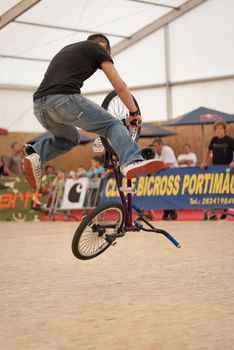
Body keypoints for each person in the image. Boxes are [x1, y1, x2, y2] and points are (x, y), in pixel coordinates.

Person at [23, 33, 161, 191]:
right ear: (106, 49)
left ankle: (37, 154)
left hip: (40, 107)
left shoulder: (66, 50)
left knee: (70, 138)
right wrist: (134, 112)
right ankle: (131, 161)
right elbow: (120, 86)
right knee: (112, 125)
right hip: (64, 100)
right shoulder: (98, 48)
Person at [201, 120, 234, 220]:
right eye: (217, 129)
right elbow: (208, 151)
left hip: (228, 169)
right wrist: (204, 162)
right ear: (215, 131)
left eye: (221, 128)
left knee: (227, 190)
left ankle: (225, 211)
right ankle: (213, 213)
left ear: (224, 130)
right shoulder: (213, 140)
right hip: (216, 169)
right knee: (216, 190)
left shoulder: (230, 140)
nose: (219, 131)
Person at [153, 137, 178, 220]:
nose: (155, 148)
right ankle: (166, 213)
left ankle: (173, 214)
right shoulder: (156, 154)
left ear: (161, 145)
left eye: (156, 146)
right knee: (164, 193)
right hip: (164, 175)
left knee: (170, 193)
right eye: (154, 147)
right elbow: (156, 165)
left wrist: (157, 167)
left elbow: (168, 164)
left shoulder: (167, 150)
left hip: (173, 174)